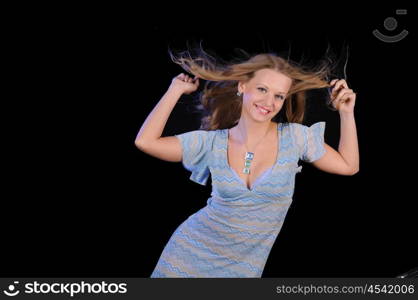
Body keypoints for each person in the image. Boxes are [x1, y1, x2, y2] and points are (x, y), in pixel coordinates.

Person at [135, 48, 359, 277]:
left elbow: (349, 166)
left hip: (243, 269)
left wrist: (346, 113)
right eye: (262, 89)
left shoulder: (295, 138)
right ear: (243, 86)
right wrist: (175, 89)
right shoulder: (212, 143)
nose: (269, 102)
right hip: (187, 255)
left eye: (279, 95)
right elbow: (146, 141)